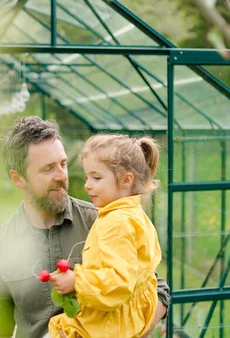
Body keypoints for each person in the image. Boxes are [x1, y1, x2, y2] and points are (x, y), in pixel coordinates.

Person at [0, 116, 169, 338]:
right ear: (18, 178)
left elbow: (158, 291)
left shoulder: (103, 221)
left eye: (62, 163)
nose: (62, 176)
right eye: (48, 169)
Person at [48, 134, 162, 338]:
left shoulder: (117, 223)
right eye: (86, 177)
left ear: (126, 180)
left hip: (111, 322)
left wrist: (76, 281)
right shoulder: (131, 214)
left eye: (97, 177)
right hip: (123, 316)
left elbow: (119, 282)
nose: (87, 185)